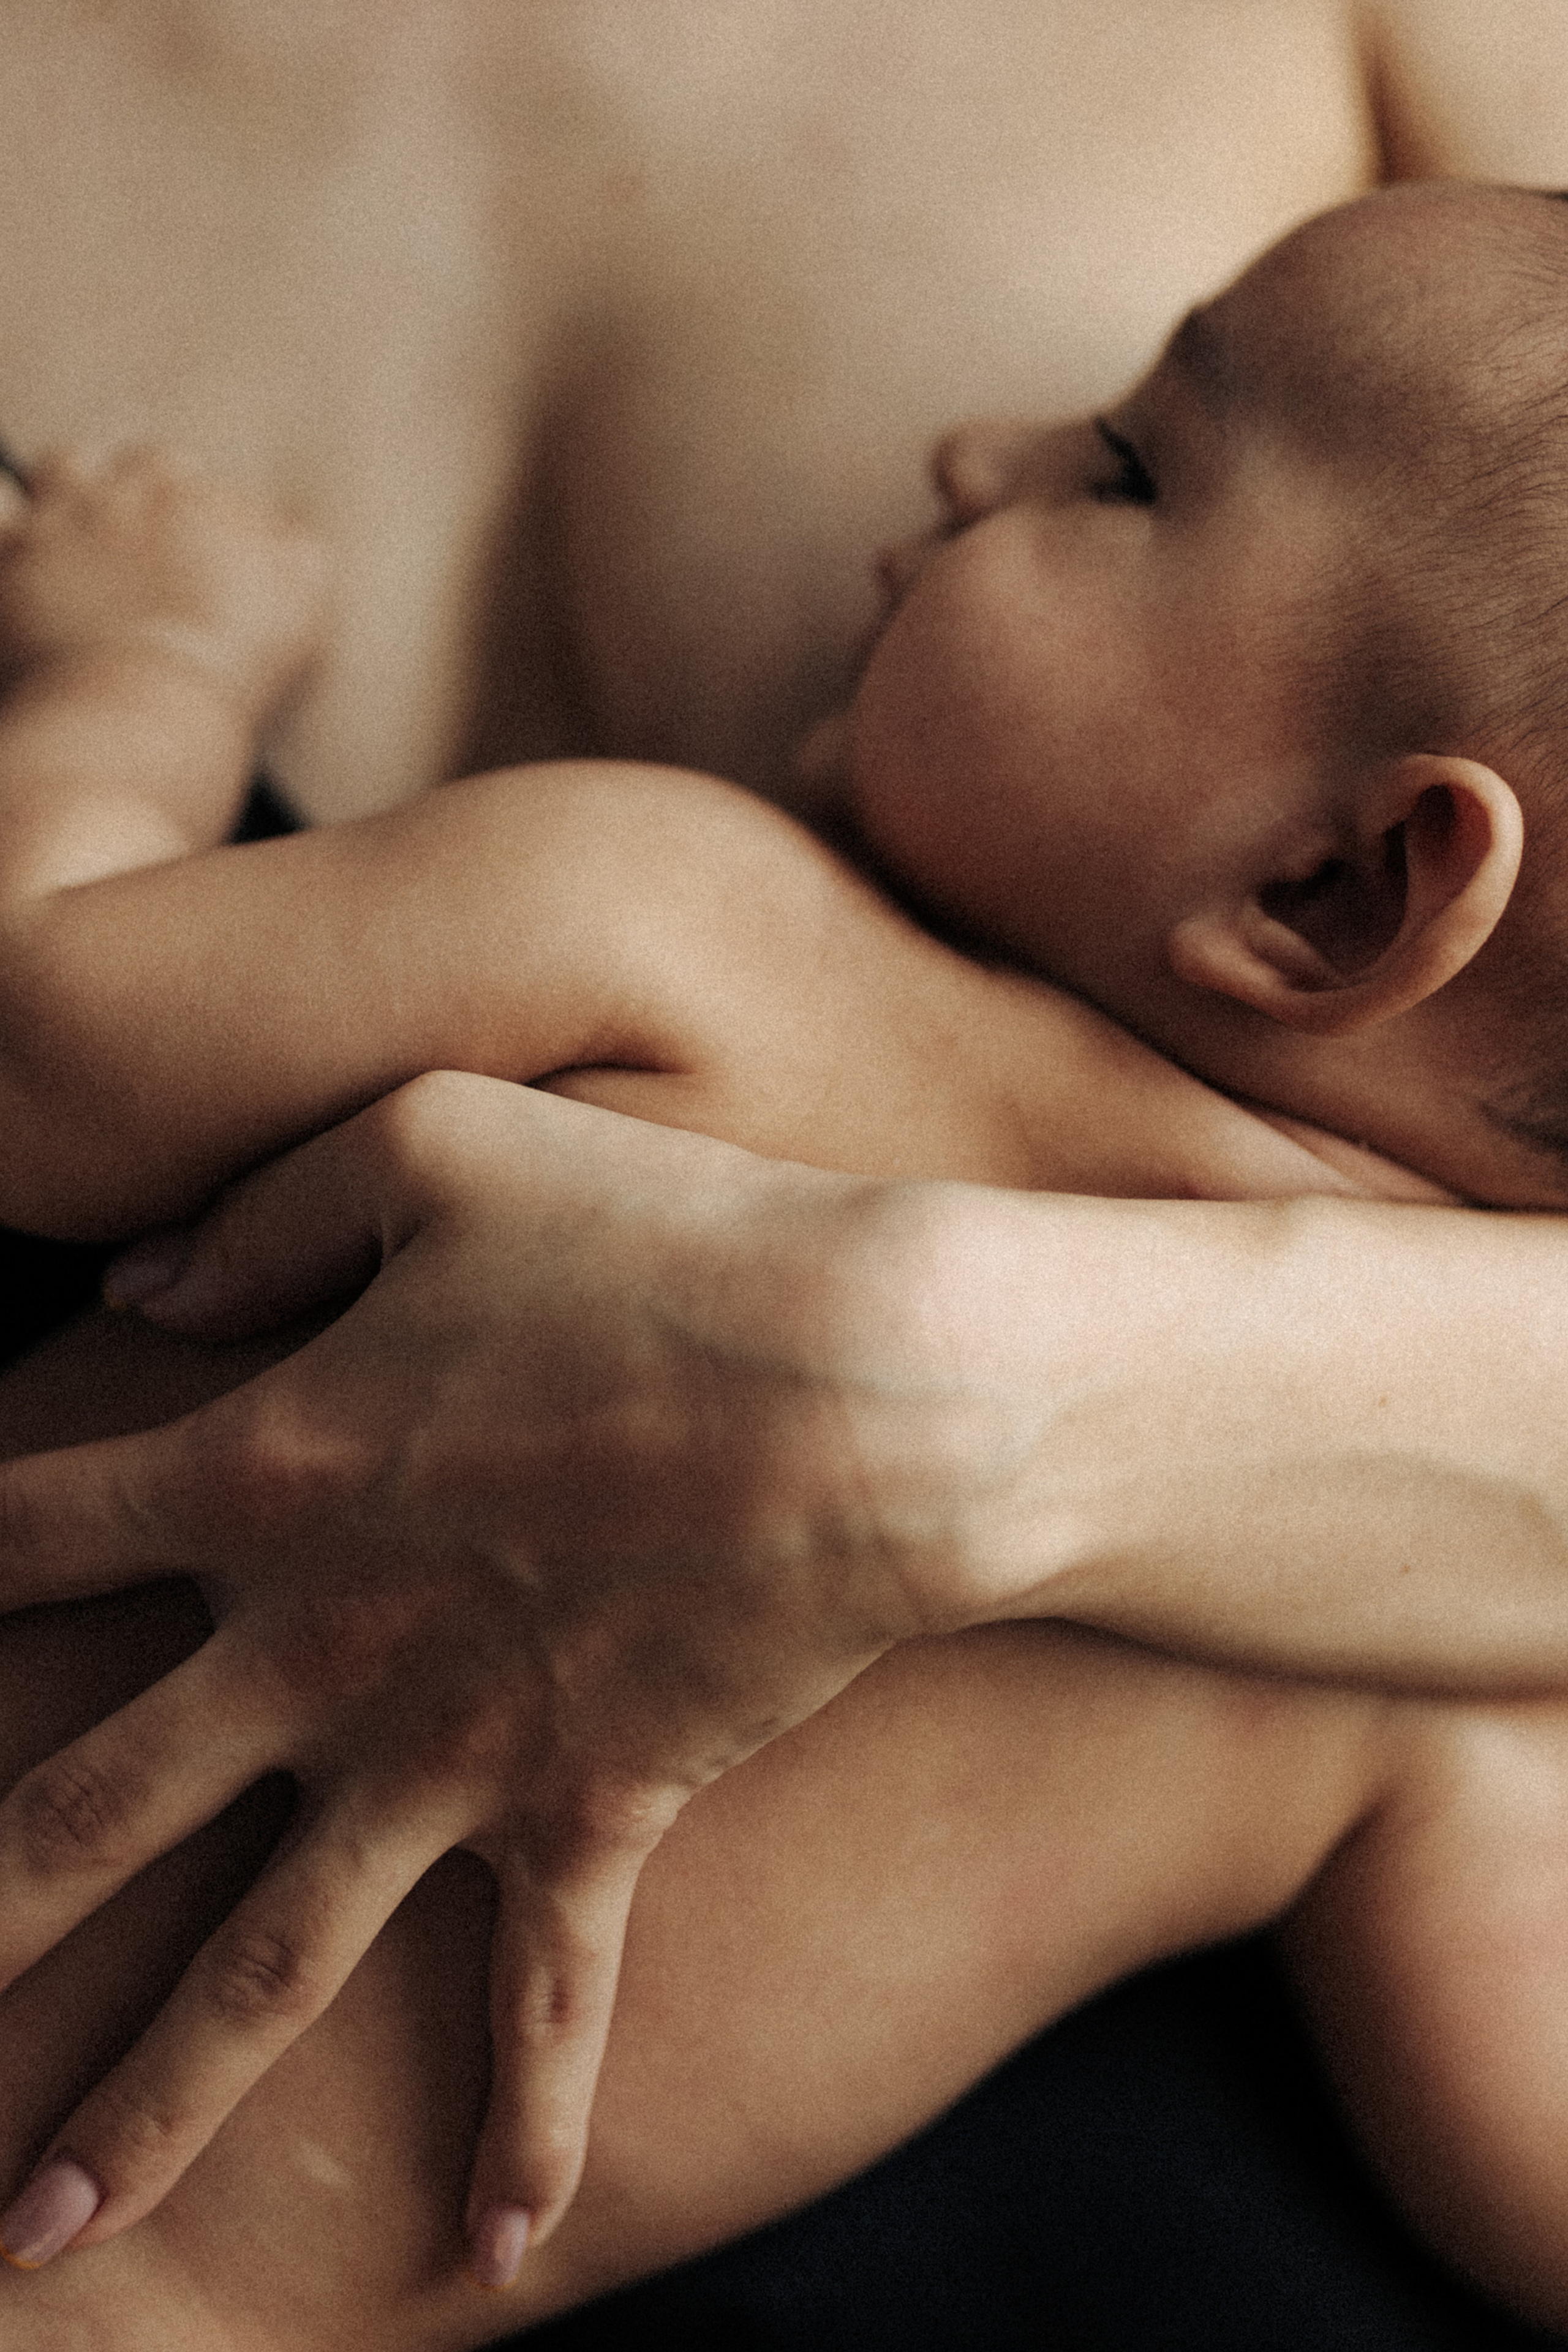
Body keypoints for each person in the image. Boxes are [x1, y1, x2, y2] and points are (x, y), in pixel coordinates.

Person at [4, 5, 1568, 2346]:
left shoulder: (684, 927)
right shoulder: (1410, 1674)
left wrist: (140, 666)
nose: (983, 444)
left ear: (1340, 890)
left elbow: (41, 1035)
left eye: (1122, 467)